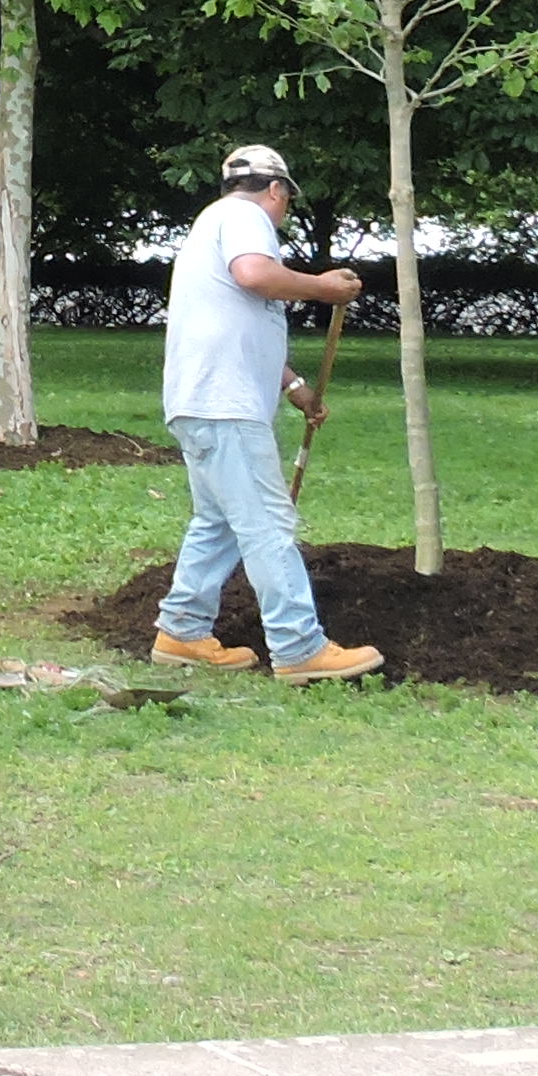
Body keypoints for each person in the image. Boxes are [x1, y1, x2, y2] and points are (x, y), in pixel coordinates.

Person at [147, 145, 384, 682]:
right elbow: (255, 275)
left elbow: (237, 316)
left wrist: (294, 385)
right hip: (223, 405)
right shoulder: (245, 217)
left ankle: (182, 632)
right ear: (276, 191)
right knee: (267, 524)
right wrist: (323, 288)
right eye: (286, 201)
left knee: (219, 524)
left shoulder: (215, 221)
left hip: (203, 401)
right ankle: (300, 647)